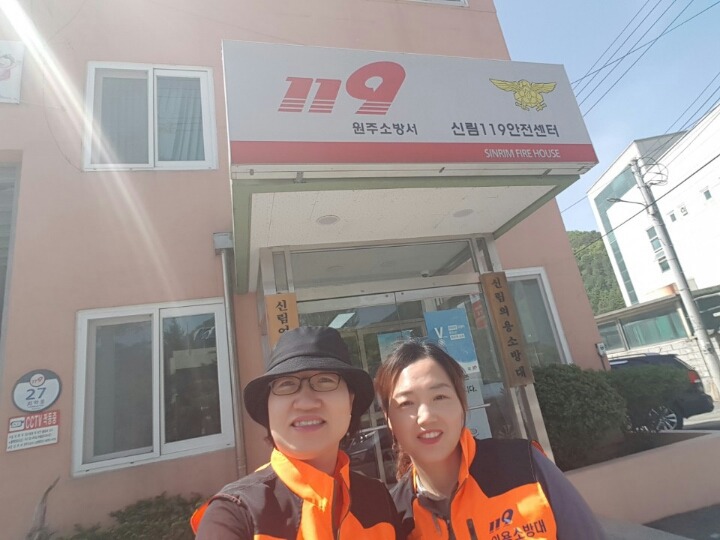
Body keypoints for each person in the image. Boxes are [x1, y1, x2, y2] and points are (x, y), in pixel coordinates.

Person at [374, 339, 606, 540]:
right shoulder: (393, 516)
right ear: (389, 419)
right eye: (406, 403)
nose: (426, 416)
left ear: (462, 403)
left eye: (440, 397)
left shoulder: (524, 466)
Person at [191, 326, 403, 539]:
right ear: (268, 407)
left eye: (325, 380)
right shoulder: (235, 514)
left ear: (350, 400)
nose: (305, 402)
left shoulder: (377, 499)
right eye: (286, 384)